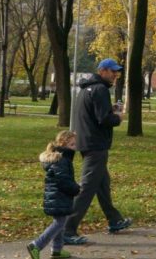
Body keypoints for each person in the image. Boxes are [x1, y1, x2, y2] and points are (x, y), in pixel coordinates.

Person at [63, 58, 132, 245]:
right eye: (113, 71)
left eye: (117, 71)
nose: (116, 74)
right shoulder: (100, 89)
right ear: (102, 71)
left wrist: (110, 110)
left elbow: (93, 115)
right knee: (87, 188)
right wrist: (118, 117)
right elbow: (103, 119)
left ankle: (114, 219)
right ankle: (67, 229)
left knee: (102, 184)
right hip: (96, 145)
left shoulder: (86, 88)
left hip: (86, 143)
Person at [27, 130, 80, 259]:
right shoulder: (62, 160)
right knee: (59, 223)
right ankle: (36, 245)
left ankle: (57, 250)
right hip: (58, 196)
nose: (75, 148)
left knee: (60, 222)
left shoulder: (62, 158)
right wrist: (76, 188)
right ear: (63, 144)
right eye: (72, 145)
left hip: (58, 196)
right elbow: (63, 181)